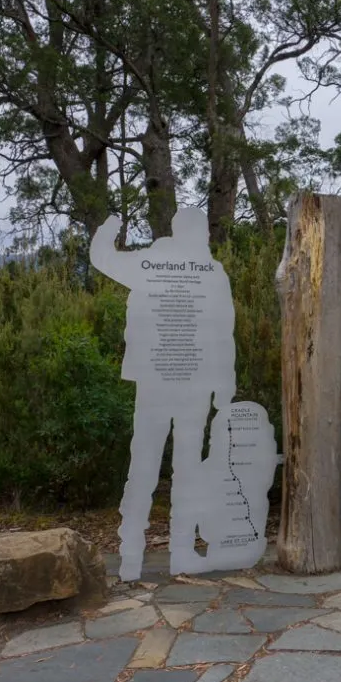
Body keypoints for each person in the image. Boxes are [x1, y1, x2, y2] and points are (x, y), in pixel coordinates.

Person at [90, 209, 236, 580]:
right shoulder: (162, 264)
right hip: (164, 383)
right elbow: (103, 259)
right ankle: (133, 555)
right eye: (201, 230)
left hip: (189, 384)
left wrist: (224, 384)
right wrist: (107, 231)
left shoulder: (194, 271)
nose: (205, 237)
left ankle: (176, 551)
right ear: (189, 232)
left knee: (177, 467)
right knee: (150, 466)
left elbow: (223, 331)